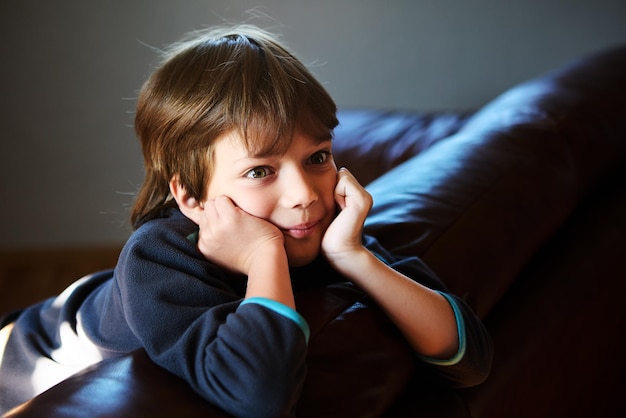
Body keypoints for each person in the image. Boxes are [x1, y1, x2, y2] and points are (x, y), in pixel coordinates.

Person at [0, 25, 492, 417]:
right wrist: (263, 255)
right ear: (190, 195)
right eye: (261, 170)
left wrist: (353, 256)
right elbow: (259, 394)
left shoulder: (324, 230)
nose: (304, 195)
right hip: (28, 346)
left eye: (317, 157)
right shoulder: (158, 255)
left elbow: (469, 362)